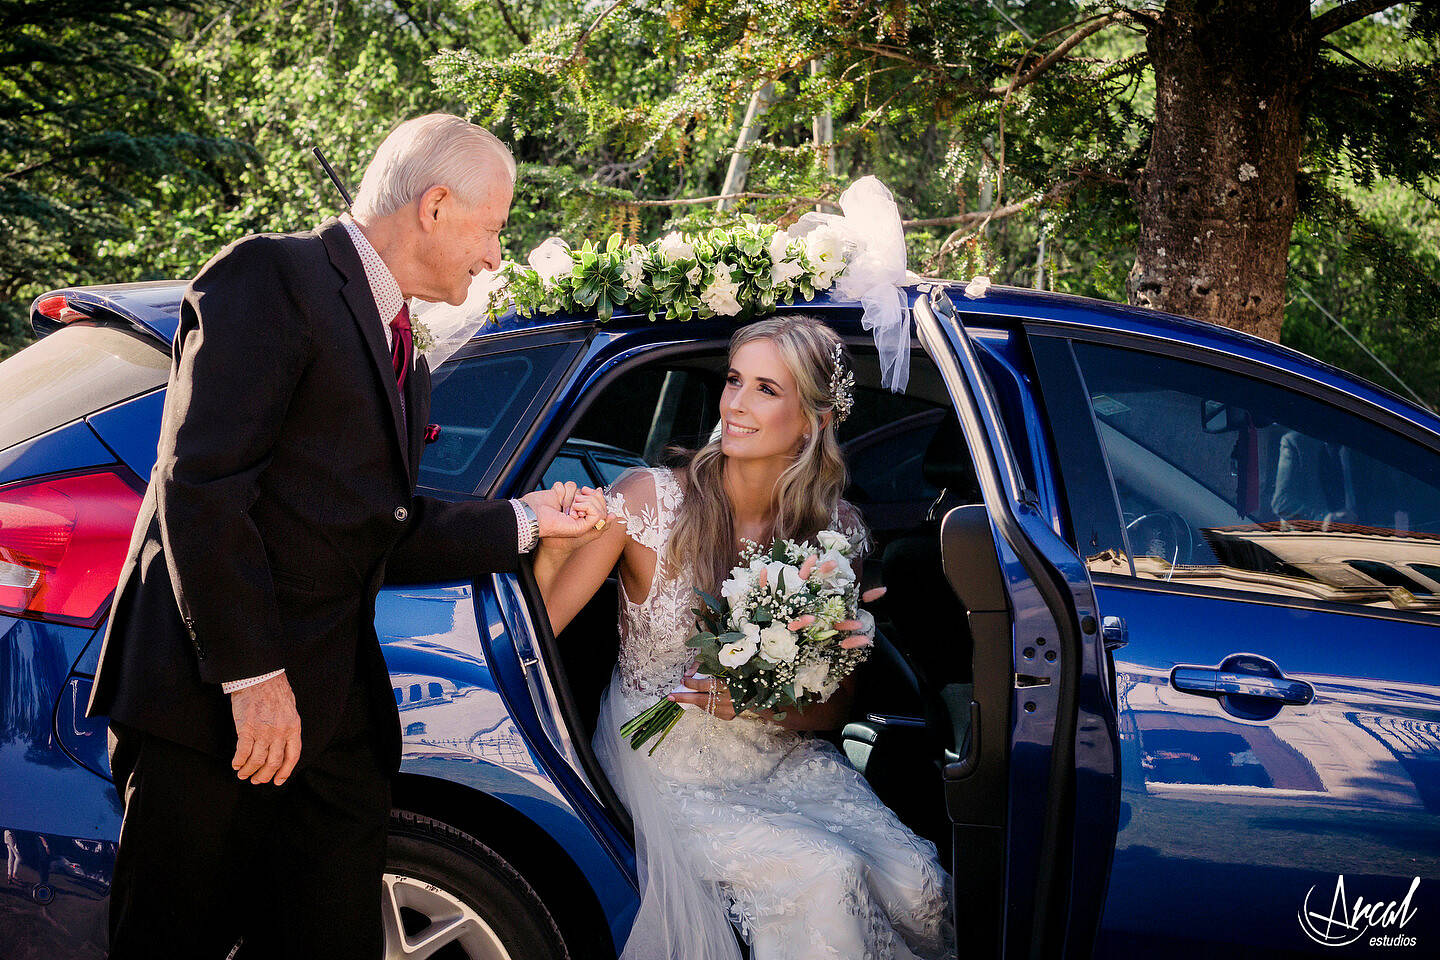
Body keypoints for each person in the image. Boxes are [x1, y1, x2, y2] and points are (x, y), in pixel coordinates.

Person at [87, 113, 603, 959]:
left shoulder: (407, 349)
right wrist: (254, 679)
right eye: (493, 229)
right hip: (218, 713)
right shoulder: (270, 276)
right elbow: (204, 487)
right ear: (435, 206)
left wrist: (529, 519)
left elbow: (371, 528)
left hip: (333, 725)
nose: (494, 258)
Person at [534, 315, 954, 960]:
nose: (735, 403)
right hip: (660, 757)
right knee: (823, 871)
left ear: (813, 419)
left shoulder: (837, 533)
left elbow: (834, 710)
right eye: (735, 380)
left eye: (766, 388)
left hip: (779, 756)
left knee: (918, 880)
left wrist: (758, 703)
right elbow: (538, 628)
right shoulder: (649, 501)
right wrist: (556, 548)